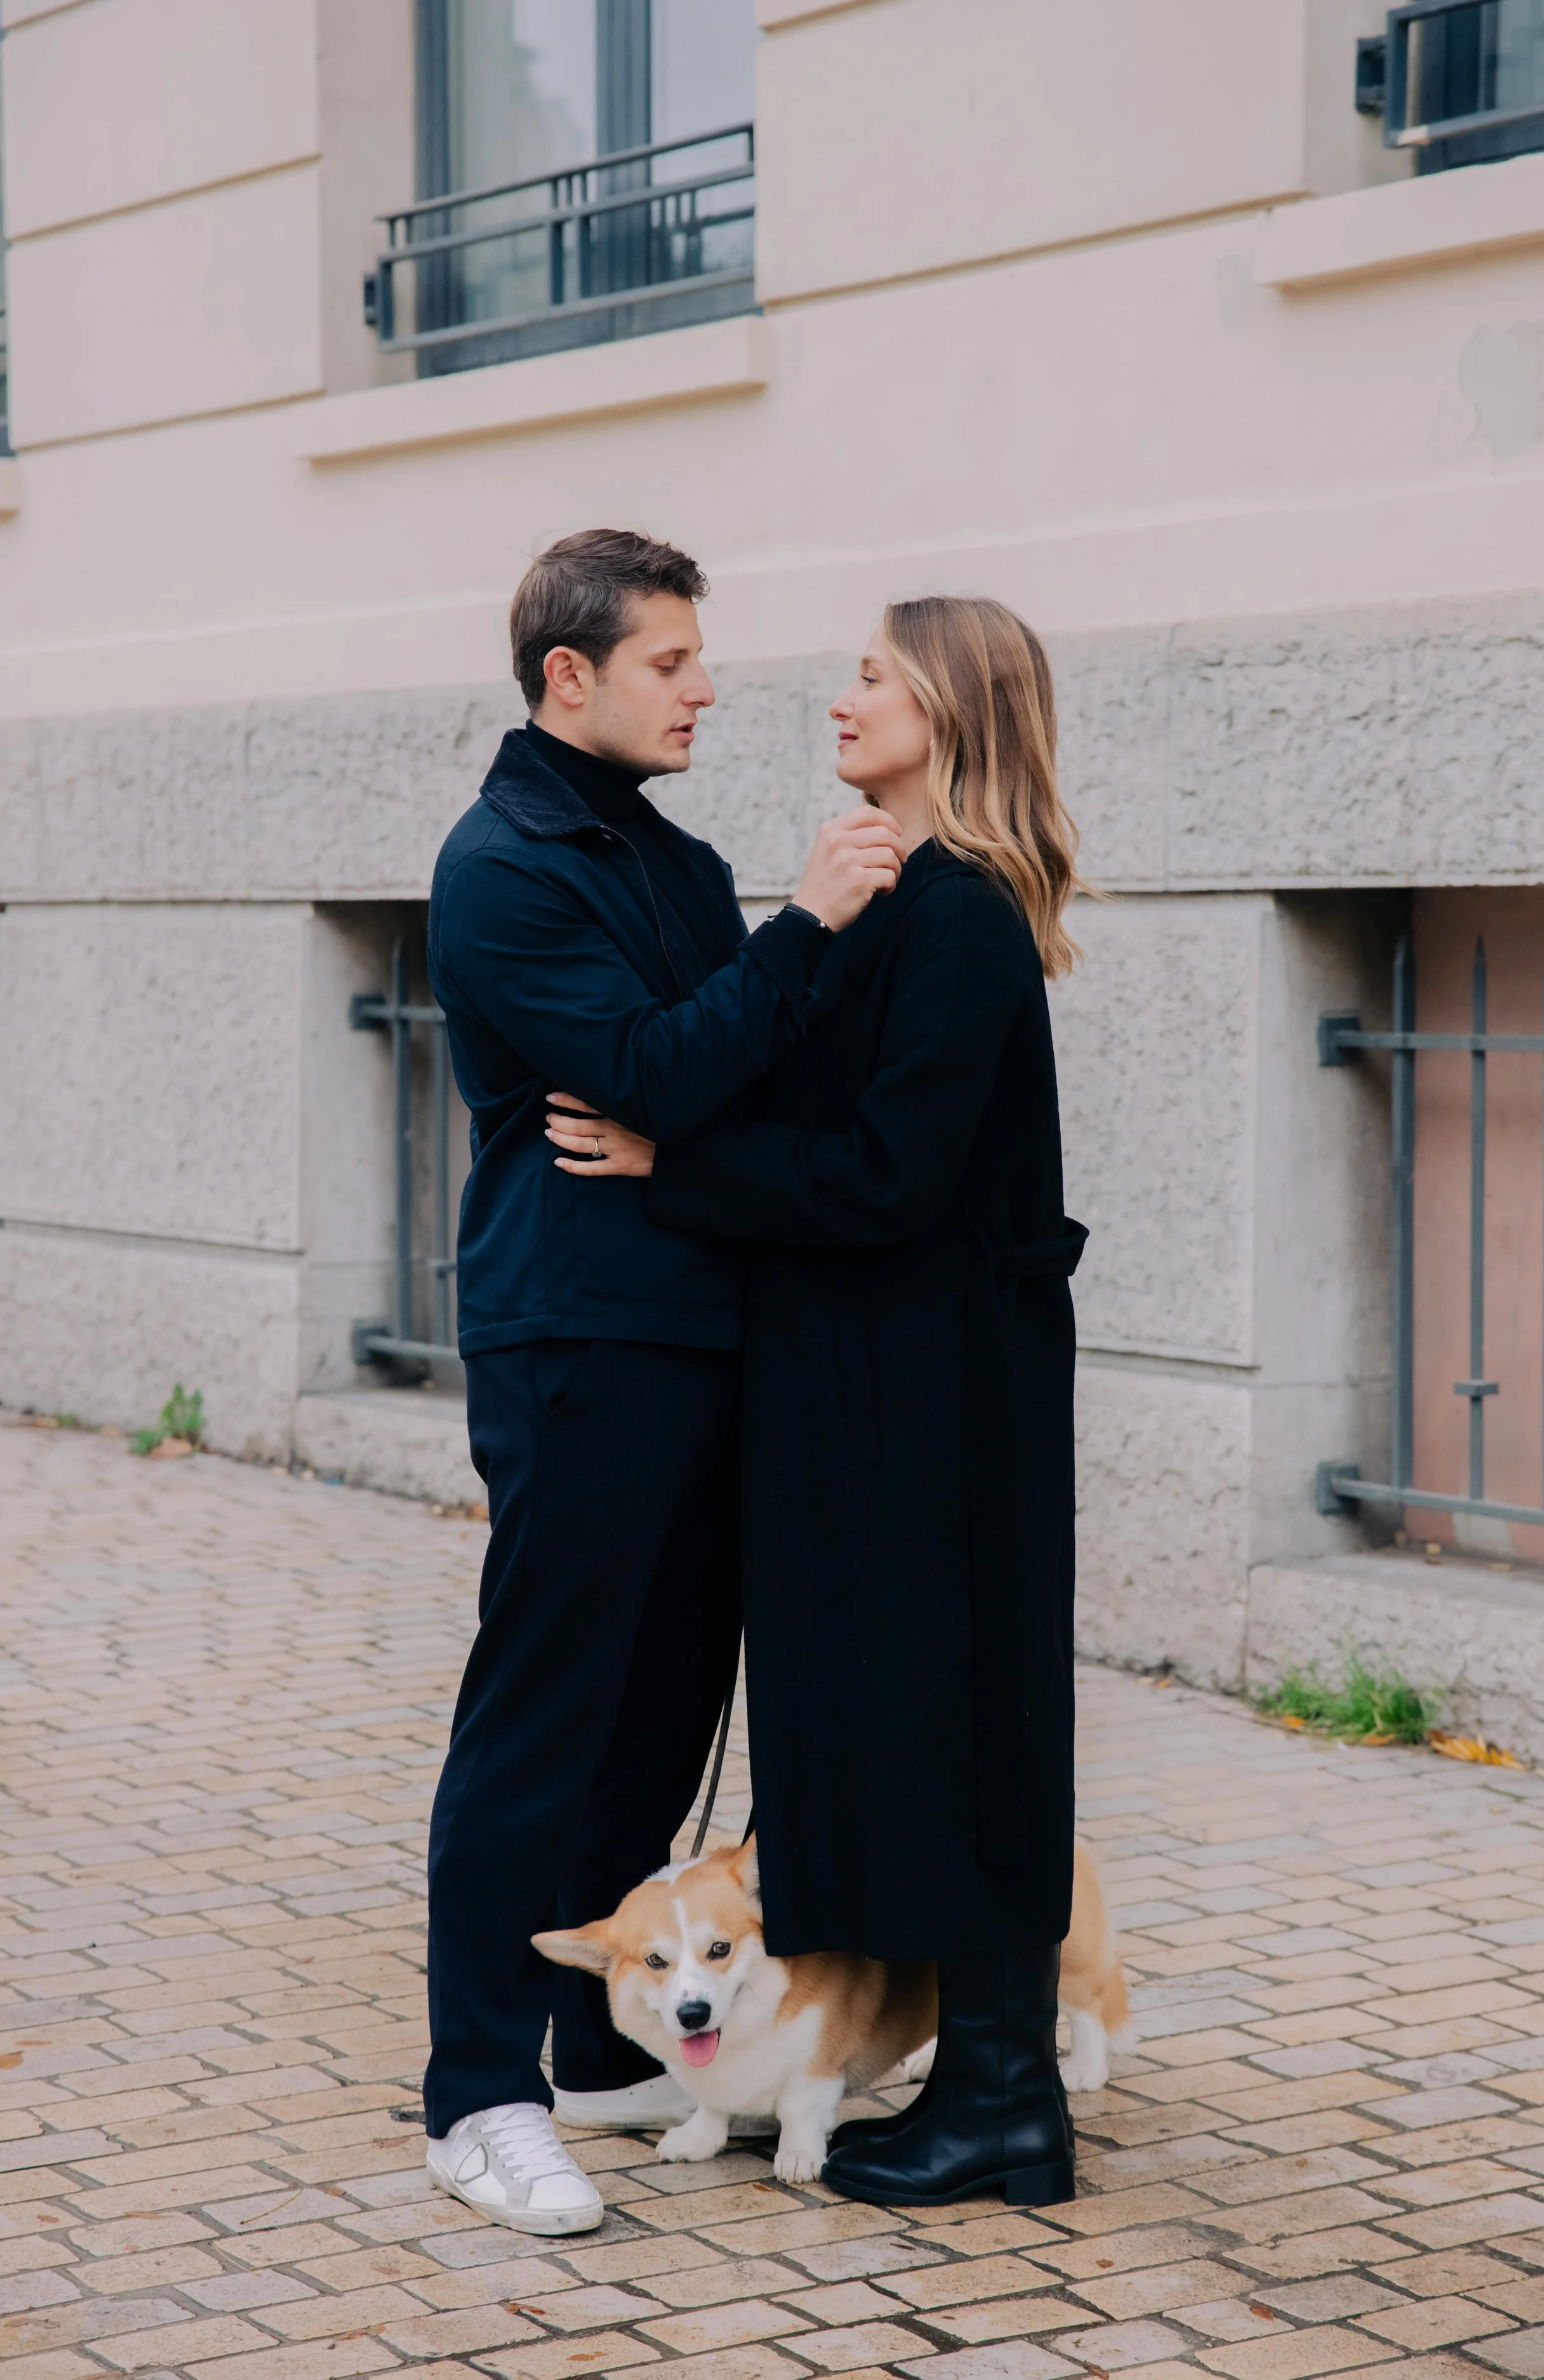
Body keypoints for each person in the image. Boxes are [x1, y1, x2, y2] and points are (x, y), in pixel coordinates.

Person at [546, 594, 1088, 2209]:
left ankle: (1005, 2097)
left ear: (949, 707)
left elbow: (886, 1172)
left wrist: (672, 1163)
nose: (839, 699)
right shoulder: (889, 891)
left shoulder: (964, 914)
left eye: (871, 676)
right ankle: (964, 2078)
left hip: (937, 1405)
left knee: (959, 1720)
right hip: (865, 1391)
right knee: (889, 1718)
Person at [422, 528, 903, 2235]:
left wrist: (744, 1023)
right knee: (543, 1719)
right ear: (571, 675)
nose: (706, 687)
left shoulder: (676, 859)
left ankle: (589, 2043)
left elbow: (724, 1086)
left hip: (705, 1329)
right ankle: (477, 2094)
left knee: (660, 1712)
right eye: (670, 660)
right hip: (577, 1335)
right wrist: (805, 926)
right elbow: (652, 1066)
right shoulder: (501, 867)